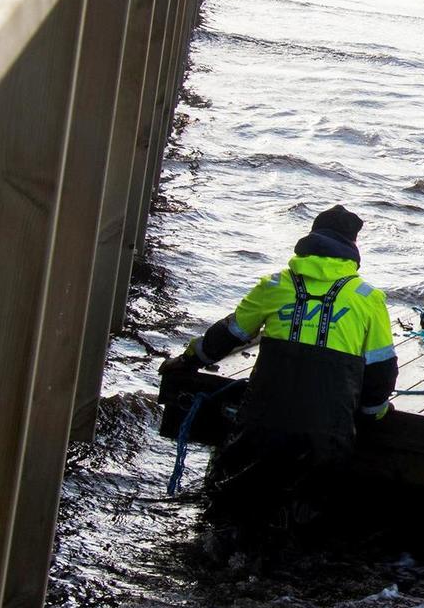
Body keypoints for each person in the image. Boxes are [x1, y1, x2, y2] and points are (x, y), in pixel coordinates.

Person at [160, 204, 395, 544]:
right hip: (326, 436)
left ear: (309, 241)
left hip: (261, 427)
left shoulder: (275, 285)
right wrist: (374, 414)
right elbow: (381, 372)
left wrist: (188, 361)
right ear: (352, 248)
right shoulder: (367, 298)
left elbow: (229, 335)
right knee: (305, 521)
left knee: (233, 510)